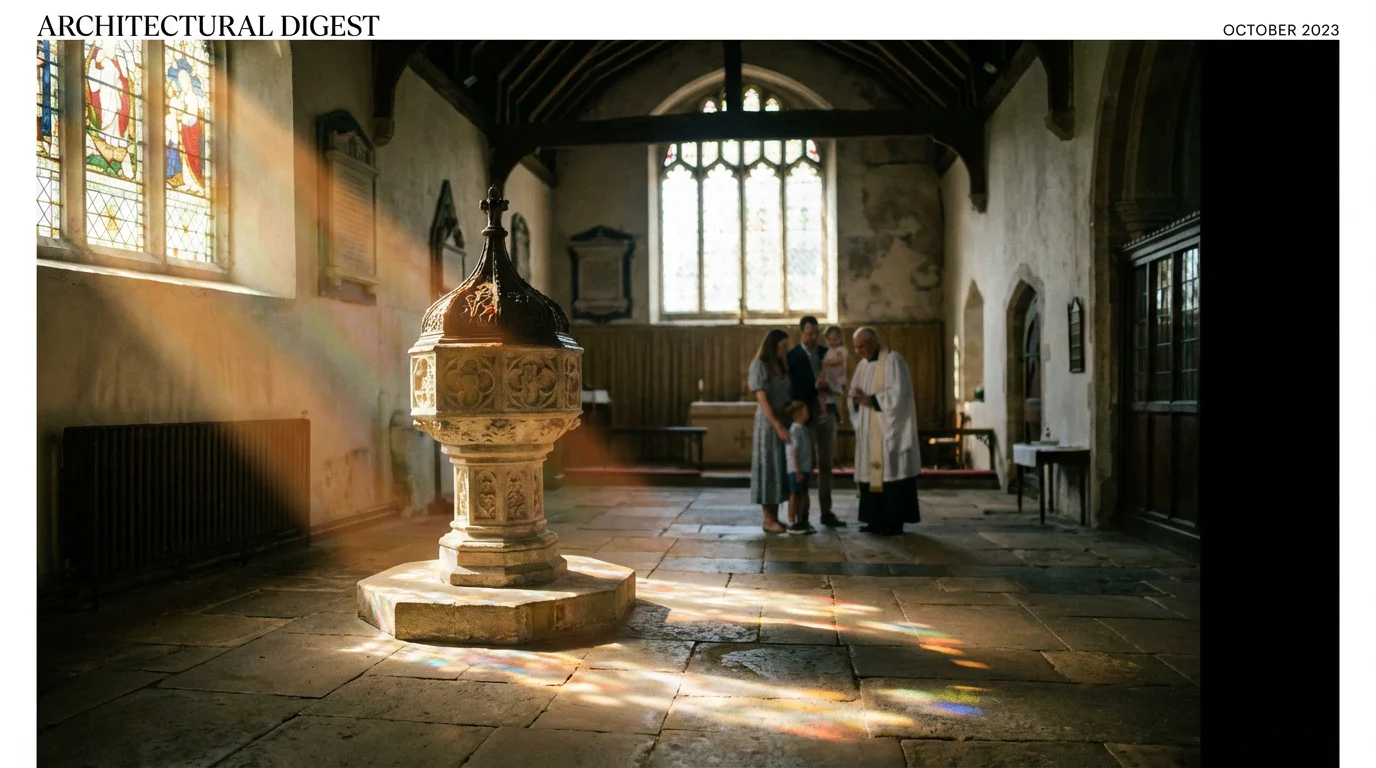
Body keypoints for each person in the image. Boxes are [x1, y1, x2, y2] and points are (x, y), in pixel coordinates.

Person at [848, 327, 922, 535]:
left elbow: (899, 395)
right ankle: (874, 519)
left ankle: (893, 521)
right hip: (868, 428)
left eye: (861, 346)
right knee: (870, 473)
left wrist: (872, 400)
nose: (859, 352)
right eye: (856, 348)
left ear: (874, 341)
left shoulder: (893, 360)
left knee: (890, 473)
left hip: (887, 429)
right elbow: (854, 393)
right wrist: (854, 398)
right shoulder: (862, 366)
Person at [785, 316, 846, 528]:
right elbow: (790, 388)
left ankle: (826, 512)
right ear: (801, 332)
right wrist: (814, 386)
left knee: (826, 464)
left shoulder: (825, 353)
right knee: (804, 464)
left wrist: (831, 388)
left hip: (826, 412)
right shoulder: (792, 356)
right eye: (809, 333)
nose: (813, 337)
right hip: (804, 416)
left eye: (816, 333)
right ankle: (803, 514)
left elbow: (840, 382)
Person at [748, 328, 793, 534]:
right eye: (784, 345)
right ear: (774, 344)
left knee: (780, 468)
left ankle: (775, 517)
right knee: (769, 467)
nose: (786, 348)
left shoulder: (782, 365)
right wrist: (777, 425)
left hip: (784, 419)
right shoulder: (760, 365)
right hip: (769, 423)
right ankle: (768, 519)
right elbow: (763, 398)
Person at [784, 401, 816, 535]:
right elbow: (794, 451)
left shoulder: (803, 428)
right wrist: (797, 470)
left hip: (804, 468)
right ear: (797, 414)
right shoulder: (795, 429)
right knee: (796, 495)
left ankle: (803, 520)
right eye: (805, 412)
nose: (808, 414)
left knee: (802, 494)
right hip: (797, 469)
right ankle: (793, 522)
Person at [820, 325, 849, 427]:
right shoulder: (828, 351)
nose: (832, 342)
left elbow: (837, 361)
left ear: (840, 338)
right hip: (829, 378)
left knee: (836, 399)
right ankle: (827, 413)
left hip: (838, 379)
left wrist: (824, 362)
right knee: (825, 396)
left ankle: (839, 416)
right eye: (830, 340)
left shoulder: (841, 350)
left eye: (835, 339)